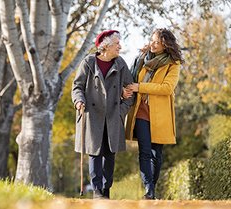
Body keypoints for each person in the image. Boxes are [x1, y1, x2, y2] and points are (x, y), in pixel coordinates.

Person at [71, 30, 134, 199]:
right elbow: (77, 87)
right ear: (105, 46)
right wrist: (78, 101)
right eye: (117, 44)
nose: (120, 46)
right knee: (94, 153)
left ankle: (106, 190)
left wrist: (121, 111)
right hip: (92, 115)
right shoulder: (88, 62)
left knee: (110, 154)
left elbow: (130, 91)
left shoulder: (120, 64)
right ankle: (97, 191)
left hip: (113, 116)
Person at [123, 28, 184, 199]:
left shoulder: (173, 64)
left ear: (166, 45)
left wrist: (140, 87)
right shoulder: (142, 59)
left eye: (157, 42)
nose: (153, 44)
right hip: (141, 111)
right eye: (152, 40)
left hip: (160, 114)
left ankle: (152, 188)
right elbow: (131, 78)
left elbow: (167, 88)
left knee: (157, 154)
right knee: (145, 151)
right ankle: (149, 191)